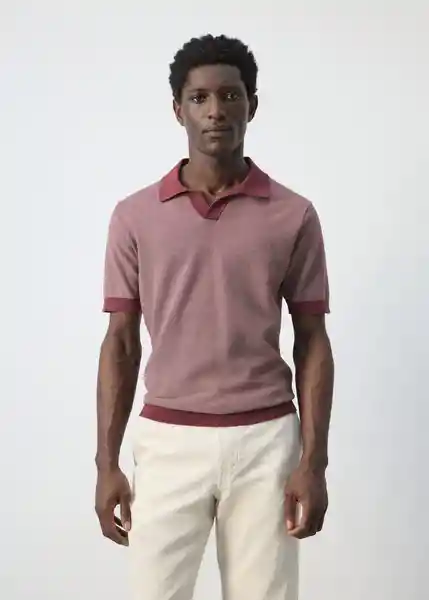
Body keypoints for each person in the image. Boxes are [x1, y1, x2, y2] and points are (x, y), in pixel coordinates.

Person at [95, 34, 334, 600]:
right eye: (199, 97)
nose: (215, 110)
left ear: (252, 104)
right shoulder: (134, 216)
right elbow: (120, 343)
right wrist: (106, 465)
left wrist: (314, 463)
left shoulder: (294, 214)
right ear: (178, 109)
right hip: (167, 441)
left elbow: (313, 341)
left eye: (230, 95)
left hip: (266, 441)